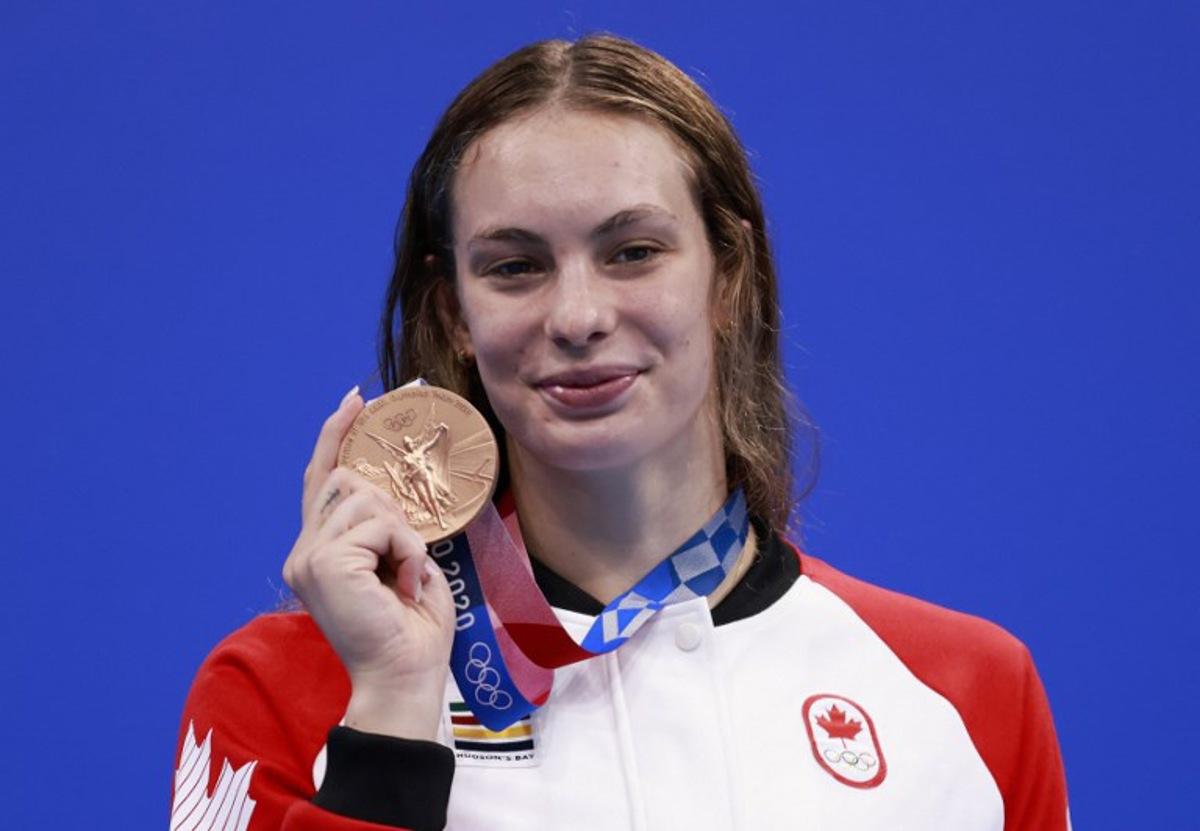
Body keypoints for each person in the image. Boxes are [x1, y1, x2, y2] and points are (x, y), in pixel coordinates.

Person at [170, 34, 1070, 831]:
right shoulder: (283, 687)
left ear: (729, 277)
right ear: (454, 314)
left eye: (633, 251)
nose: (579, 313)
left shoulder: (964, 691)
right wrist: (394, 716)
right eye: (515, 266)